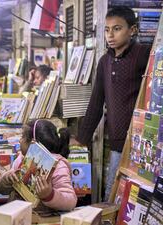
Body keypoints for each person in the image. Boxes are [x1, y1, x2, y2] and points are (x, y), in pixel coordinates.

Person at [71, 6, 150, 201]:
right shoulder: (104, 61)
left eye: (117, 28)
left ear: (132, 30)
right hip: (117, 143)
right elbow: (96, 103)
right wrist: (82, 139)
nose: (110, 35)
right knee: (112, 196)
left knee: (141, 198)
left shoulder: (144, 55)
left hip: (143, 143)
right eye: (107, 29)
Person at [0, 119, 77, 211]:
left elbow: (71, 202)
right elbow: (1, 189)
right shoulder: (21, 160)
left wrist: (49, 195)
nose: (19, 140)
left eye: (22, 137)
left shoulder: (59, 166)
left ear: (33, 143)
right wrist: (6, 180)